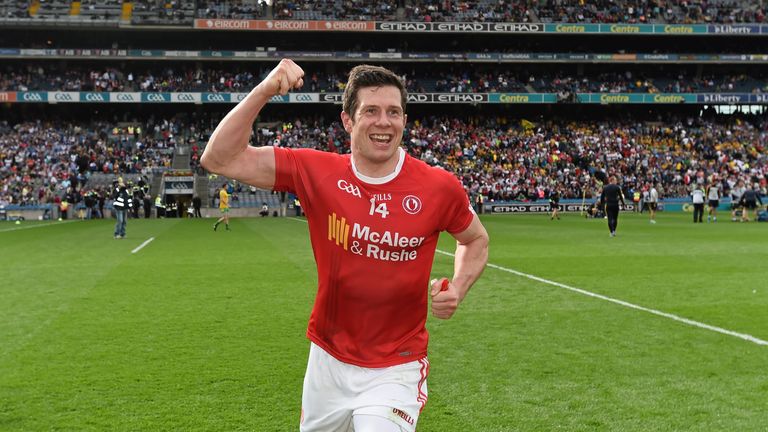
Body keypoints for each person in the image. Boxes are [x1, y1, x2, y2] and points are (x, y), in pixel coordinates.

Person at [201, 59, 489, 432]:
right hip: (328, 360)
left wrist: (459, 288)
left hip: (396, 365)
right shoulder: (316, 171)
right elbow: (219, 158)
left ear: (404, 120)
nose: (384, 122)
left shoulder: (438, 186)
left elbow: (476, 239)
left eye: (393, 112)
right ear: (348, 121)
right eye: (371, 111)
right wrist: (265, 89)